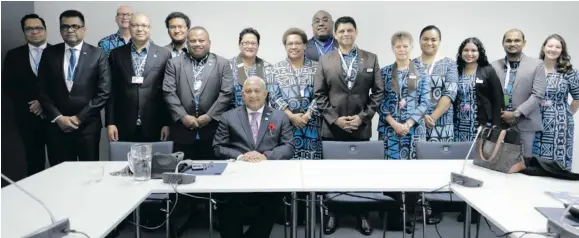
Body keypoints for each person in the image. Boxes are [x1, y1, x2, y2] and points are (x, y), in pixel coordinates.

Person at [314, 16, 384, 235]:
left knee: (359, 174)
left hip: (360, 127)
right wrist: (335, 119)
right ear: (335, 34)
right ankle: (332, 213)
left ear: (356, 32)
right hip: (333, 128)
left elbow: (379, 92)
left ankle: (361, 214)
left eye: (349, 30)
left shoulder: (370, 58)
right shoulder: (325, 60)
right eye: (341, 31)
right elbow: (319, 94)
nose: (346, 34)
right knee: (333, 175)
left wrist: (363, 117)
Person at [213, 76, 294, 238]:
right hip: (236, 178)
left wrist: (265, 156)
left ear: (265, 93)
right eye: (248, 91)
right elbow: (217, 148)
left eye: (257, 91)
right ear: (242, 94)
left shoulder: (280, 117)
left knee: (273, 200)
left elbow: (289, 147)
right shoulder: (229, 117)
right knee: (227, 202)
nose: (253, 95)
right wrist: (241, 156)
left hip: (268, 178)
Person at [37, 10, 111, 165]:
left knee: (88, 176)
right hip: (57, 127)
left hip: (87, 127)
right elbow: (42, 90)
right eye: (65, 27)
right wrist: (58, 118)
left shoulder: (97, 54)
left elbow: (104, 92)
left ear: (84, 29)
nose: (70, 30)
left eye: (75, 26)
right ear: (60, 30)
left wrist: (79, 118)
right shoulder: (49, 53)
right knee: (60, 177)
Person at [163, 26, 234, 160]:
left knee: (214, 176)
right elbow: (168, 92)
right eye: (193, 41)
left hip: (213, 131)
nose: (197, 44)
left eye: (201, 40)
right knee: (182, 174)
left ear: (209, 43)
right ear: (187, 43)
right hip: (182, 132)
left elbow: (227, 93)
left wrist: (209, 116)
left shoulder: (223, 63)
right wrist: (183, 117)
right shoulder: (174, 64)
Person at [106, 13, 172, 142]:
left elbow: (168, 92)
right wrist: (110, 122)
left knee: (154, 162)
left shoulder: (164, 54)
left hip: (155, 123)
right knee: (124, 161)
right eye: (135, 25)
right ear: (129, 28)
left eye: (144, 25)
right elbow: (111, 90)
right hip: (123, 123)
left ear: (150, 28)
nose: (140, 29)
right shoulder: (116, 54)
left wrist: (167, 123)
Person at [2, 14, 50, 175]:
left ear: (45, 30)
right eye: (29, 29)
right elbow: (9, 86)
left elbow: (65, 85)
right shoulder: (13, 55)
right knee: (33, 163)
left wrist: (43, 103)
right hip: (27, 117)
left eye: (38, 28)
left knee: (60, 162)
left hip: (55, 117)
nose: (34, 32)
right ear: (24, 32)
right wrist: (32, 105)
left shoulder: (58, 52)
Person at [490, 29, 546, 157]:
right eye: (508, 40)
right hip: (499, 124)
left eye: (517, 40)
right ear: (503, 43)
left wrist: (516, 113)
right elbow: (490, 94)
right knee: (498, 165)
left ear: (524, 43)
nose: (512, 43)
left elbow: (538, 95)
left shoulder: (536, 65)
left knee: (524, 167)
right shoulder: (493, 66)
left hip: (525, 124)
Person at [379, 31, 430, 160]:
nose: (402, 50)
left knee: (415, 173)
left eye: (405, 46)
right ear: (393, 48)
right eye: (398, 46)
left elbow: (425, 102)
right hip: (390, 130)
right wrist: (394, 124)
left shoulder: (422, 73)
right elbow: (379, 101)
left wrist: (408, 124)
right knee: (389, 172)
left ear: (411, 47)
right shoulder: (383, 72)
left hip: (414, 130)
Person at [273, 27, 321, 160]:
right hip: (286, 128)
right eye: (290, 44)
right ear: (285, 46)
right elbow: (273, 96)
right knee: (286, 171)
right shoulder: (276, 69)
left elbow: (321, 94)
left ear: (305, 45)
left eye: (298, 43)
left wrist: (307, 115)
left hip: (311, 127)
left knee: (312, 171)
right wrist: (291, 116)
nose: (294, 47)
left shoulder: (317, 67)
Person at [532, 34, 579, 170]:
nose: (553, 49)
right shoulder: (534, 69)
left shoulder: (569, 72)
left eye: (558, 47)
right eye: (550, 46)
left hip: (559, 126)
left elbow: (577, 98)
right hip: (535, 122)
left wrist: (566, 115)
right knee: (534, 164)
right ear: (544, 47)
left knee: (557, 167)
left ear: (562, 50)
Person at [412, 25, 458, 142]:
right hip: (415, 122)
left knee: (440, 159)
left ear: (439, 42)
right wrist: (421, 117)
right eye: (425, 39)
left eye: (433, 40)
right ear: (419, 40)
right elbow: (409, 95)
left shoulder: (449, 64)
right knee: (416, 157)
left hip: (441, 122)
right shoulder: (411, 65)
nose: (429, 43)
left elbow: (449, 94)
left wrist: (432, 118)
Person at [454, 37, 504, 142]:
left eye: (473, 50)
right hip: (458, 123)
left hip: (481, 123)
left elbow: (497, 99)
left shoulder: (488, 71)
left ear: (479, 52)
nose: (469, 53)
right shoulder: (456, 70)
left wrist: (495, 126)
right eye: (466, 50)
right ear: (461, 52)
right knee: (459, 153)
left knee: (478, 154)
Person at [230, 28, 283, 108]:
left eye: (253, 43)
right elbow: (225, 96)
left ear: (258, 46)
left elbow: (274, 96)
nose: (250, 46)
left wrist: (289, 114)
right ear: (240, 45)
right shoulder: (229, 66)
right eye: (246, 43)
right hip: (235, 117)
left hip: (261, 117)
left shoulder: (267, 67)